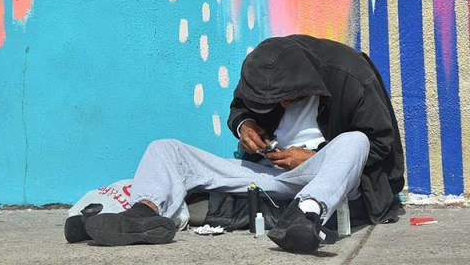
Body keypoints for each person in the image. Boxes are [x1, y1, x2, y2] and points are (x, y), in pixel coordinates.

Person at [80, 35, 405, 253]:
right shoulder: (265, 71)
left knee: (355, 141)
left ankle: (305, 217)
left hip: (328, 177)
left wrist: (310, 156)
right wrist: (244, 126)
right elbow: (240, 108)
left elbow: (380, 144)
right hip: (268, 174)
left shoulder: (350, 75)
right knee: (166, 149)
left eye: (291, 96)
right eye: (276, 100)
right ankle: (144, 213)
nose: (285, 104)